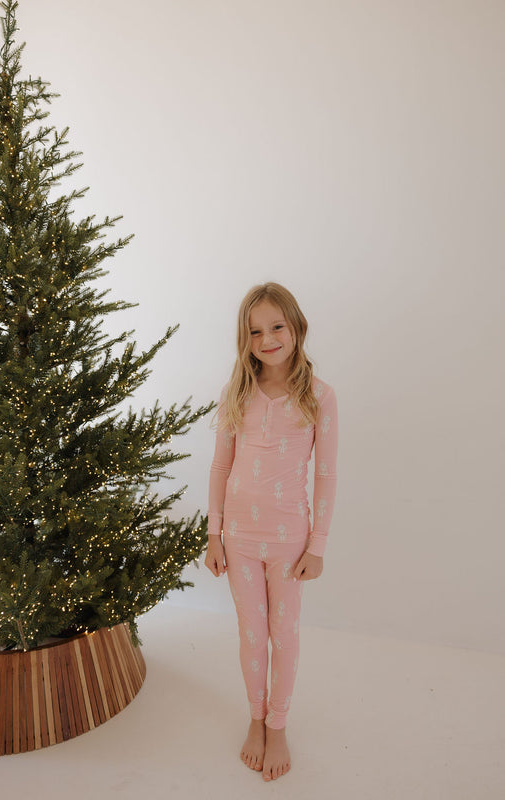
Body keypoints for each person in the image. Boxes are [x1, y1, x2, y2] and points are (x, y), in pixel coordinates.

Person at [205, 282, 338, 782]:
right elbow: (220, 466)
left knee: (284, 636)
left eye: (277, 326)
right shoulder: (236, 392)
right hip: (238, 540)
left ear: (296, 328)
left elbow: (325, 475)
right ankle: (256, 719)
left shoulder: (320, 397)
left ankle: (278, 723)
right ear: (246, 338)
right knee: (251, 637)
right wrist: (214, 535)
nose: (267, 338)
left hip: (289, 543)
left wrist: (318, 545)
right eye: (256, 330)